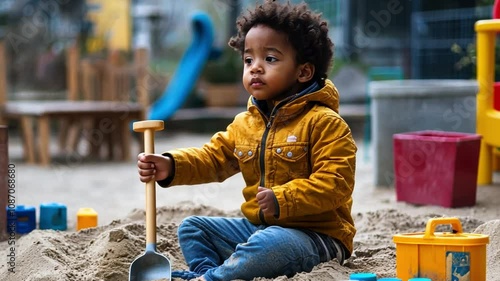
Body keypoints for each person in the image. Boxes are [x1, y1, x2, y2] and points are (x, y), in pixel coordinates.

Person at [137, 1, 357, 280]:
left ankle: (215, 277)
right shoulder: (246, 124)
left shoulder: (324, 123)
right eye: (249, 60)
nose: (255, 68)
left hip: (316, 236)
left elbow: (336, 184)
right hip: (259, 228)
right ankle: (208, 274)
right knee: (193, 228)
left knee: (269, 245)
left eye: (271, 59)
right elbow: (213, 158)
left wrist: (283, 198)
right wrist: (171, 165)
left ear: (303, 72)